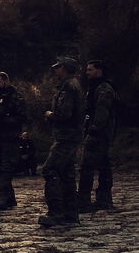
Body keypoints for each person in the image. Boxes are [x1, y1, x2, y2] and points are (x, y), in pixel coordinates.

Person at [38, 58, 84, 227]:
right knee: (67, 174)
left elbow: (65, 114)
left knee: (50, 170)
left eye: (57, 68)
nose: (55, 72)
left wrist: (50, 115)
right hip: (70, 136)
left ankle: (56, 213)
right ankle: (71, 214)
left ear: (64, 69)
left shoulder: (68, 87)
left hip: (66, 137)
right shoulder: (74, 84)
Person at [78, 60, 117, 213]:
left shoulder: (104, 89)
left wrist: (93, 130)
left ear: (99, 70)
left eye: (90, 70)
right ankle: (103, 200)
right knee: (104, 166)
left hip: (99, 134)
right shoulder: (96, 87)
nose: (87, 72)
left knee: (87, 167)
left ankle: (84, 201)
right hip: (100, 132)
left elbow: (102, 113)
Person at [0, 72, 26, 210]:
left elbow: (23, 117)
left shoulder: (16, 97)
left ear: (6, 81)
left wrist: (4, 120)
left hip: (10, 137)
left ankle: (2, 198)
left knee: (6, 168)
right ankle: (10, 198)